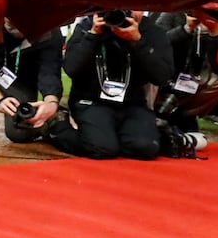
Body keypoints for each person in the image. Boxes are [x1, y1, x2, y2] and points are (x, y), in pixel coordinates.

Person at [48, 10, 175, 160]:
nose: (126, 14)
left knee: (145, 147)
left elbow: (162, 76)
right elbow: (71, 68)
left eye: (133, 7)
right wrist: (93, 35)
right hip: (92, 100)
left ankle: (114, 135)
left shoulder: (152, 31)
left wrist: (137, 41)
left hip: (132, 103)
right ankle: (57, 125)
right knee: (102, 148)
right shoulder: (90, 25)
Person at [0, 21, 65, 143]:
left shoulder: (50, 30)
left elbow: (50, 71)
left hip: (20, 75)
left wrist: (51, 103)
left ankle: (52, 122)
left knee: (19, 132)